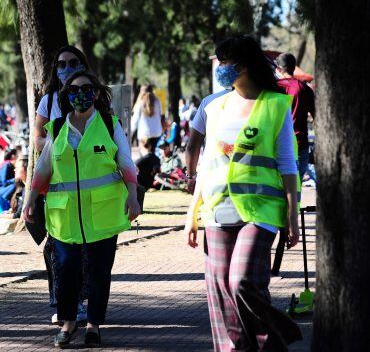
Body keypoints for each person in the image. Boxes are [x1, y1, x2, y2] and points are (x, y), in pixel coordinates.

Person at [184, 35, 302, 352]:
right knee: (221, 289)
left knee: (241, 282)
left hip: (260, 210)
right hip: (217, 209)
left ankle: (275, 341)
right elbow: (207, 162)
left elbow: (287, 163)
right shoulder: (214, 106)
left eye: (225, 62)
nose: (220, 68)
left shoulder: (275, 104)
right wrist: (192, 214)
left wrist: (292, 215)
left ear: (245, 66)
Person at [23, 71, 141, 348]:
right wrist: (29, 200)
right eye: (74, 90)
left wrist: (133, 196)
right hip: (65, 216)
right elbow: (43, 168)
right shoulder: (57, 128)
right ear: (66, 96)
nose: (81, 94)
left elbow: (126, 163)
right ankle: (67, 323)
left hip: (102, 213)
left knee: (100, 271)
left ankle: (93, 325)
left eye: (87, 88)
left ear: (97, 93)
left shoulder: (111, 126)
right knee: (66, 269)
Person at [32, 45, 92, 325]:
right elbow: (38, 139)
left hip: (89, 186)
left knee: (84, 247)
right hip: (57, 183)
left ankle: (80, 301)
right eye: (61, 63)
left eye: (72, 62)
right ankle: (61, 300)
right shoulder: (49, 100)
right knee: (54, 247)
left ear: (83, 65)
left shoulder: (93, 96)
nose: (66, 67)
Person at [275, 53, 316, 184]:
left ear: (279, 69)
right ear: (294, 67)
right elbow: (317, 118)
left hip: (275, 146)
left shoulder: (272, 89)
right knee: (296, 187)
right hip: (299, 145)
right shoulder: (304, 89)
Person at [131, 84, 163, 150]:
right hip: (156, 132)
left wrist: (130, 132)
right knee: (153, 153)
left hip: (144, 134)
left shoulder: (140, 103)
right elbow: (160, 115)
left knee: (144, 155)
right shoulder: (157, 102)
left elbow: (135, 120)